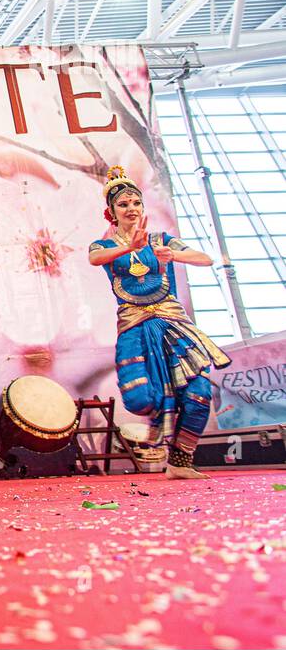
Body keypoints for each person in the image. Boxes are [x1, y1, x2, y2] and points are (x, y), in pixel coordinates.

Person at [87, 166, 229, 478]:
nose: (131, 209)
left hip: (173, 324)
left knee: (199, 393)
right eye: (123, 204)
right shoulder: (104, 246)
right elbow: (94, 259)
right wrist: (131, 247)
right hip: (135, 327)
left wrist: (171, 255)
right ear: (111, 212)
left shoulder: (160, 240)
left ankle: (180, 462)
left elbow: (204, 258)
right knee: (140, 398)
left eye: (136, 203)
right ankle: (160, 417)